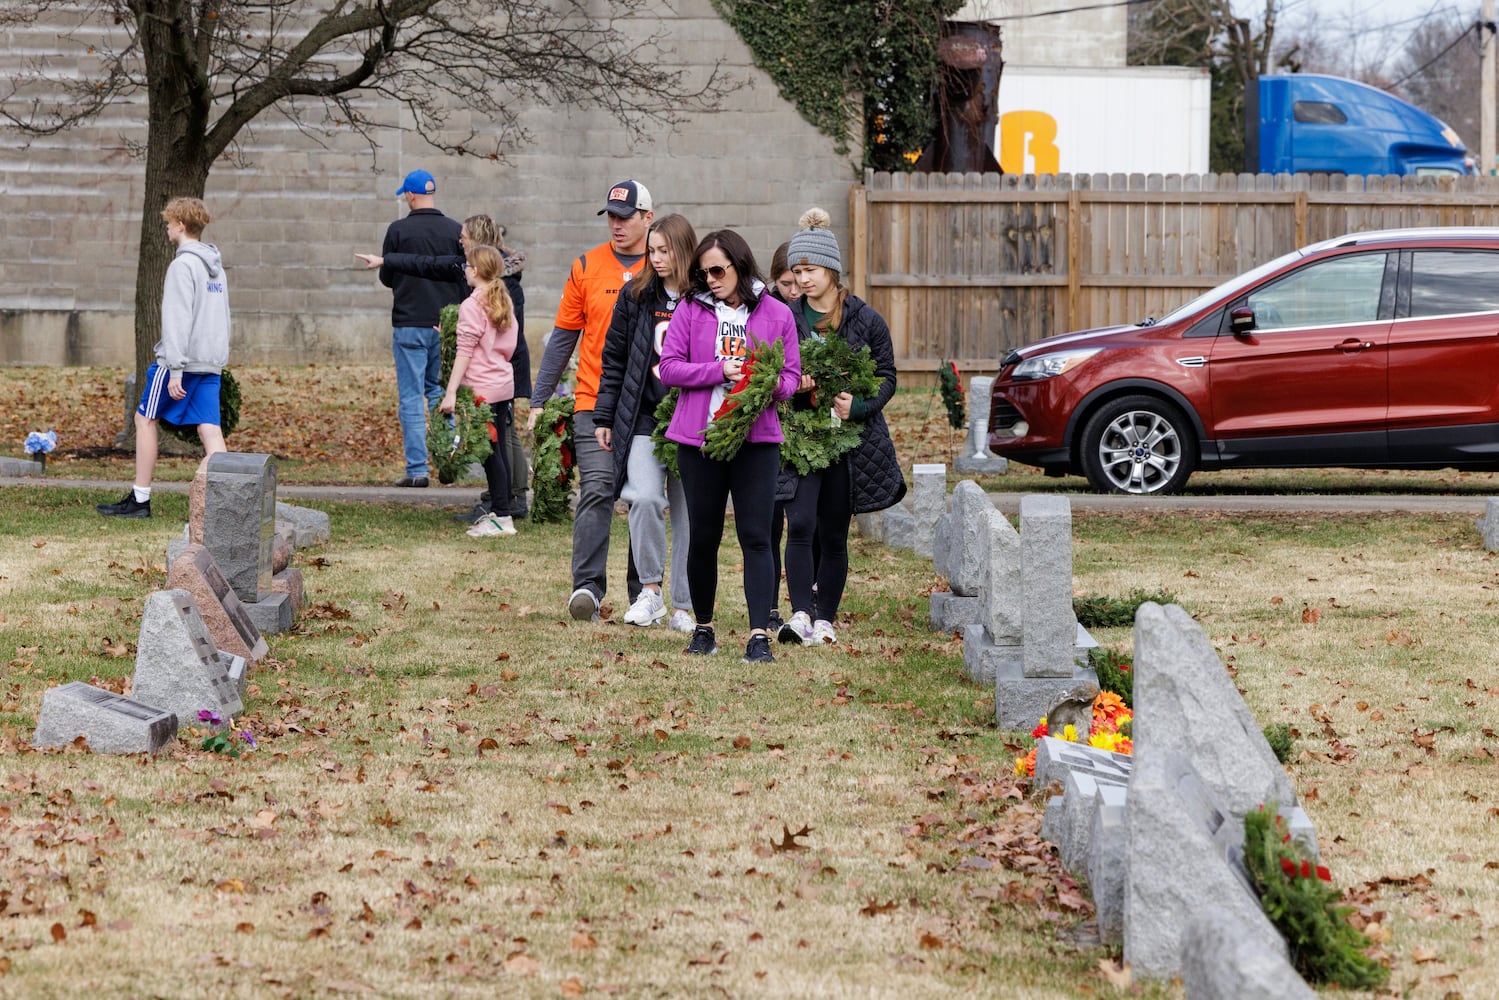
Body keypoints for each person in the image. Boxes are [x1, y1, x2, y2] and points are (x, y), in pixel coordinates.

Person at [658, 230, 801, 664]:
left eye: (718, 270)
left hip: (756, 440)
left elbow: (791, 377)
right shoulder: (690, 309)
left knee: (758, 536)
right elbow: (669, 368)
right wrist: (719, 370)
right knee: (703, 536)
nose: (711, 279)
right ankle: (703, 628)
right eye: (704, 273)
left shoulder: (777, 313)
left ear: (740, 265)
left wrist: (766, 383)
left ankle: (759, 635)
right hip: (700, 440)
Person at [776, 208, 906, 646]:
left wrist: (861, 406)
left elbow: (888, 374)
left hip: (849, 445)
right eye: (797, 271)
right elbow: (772, 372)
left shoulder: (865, 320)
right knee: (800, 524)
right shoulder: (786, 317)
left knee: (833, 530)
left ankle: (826, 618)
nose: (802, 279)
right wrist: (795, 387)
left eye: (809, 270)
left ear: (831, 270)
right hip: (800, 440)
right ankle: (799, 615)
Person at [529, 180, 654, 622]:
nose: (617, 225)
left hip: (647, 405)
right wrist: (539, 397)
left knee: (644, 497)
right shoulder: (586, 265)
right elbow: (564, 337)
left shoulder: (665, 268)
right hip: (592, 402)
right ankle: (586, 588)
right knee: (598, 489)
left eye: (625, 217)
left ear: (647, 218)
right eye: (612, 217)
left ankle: (645, 593)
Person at [356, 215, 531, 516]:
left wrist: (453, 386)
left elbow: (492, 344)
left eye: (463, 236)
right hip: (498, 375)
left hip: (492, 379)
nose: (458, 239)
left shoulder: (493, 294)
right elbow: (424, 263)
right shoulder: (483, 287)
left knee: (498, 441)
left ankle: (508, 503)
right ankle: (501, 501)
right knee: (498, 440)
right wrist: (386, 260)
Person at [593, 214, 697, 633]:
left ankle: (685, 606)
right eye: (651, 251)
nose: (654, 258)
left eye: (663, 251)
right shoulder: (635, 295)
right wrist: (604, 414)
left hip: (693, 421)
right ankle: (650, 591)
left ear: (683, 250)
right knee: (645, 498)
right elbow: (614, 357)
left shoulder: (704, 297)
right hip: (643, 418)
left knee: (689, 515)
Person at [98, 197, 230, 519]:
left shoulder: (182, 265)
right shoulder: (216, 267)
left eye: (170, 222)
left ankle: (140, 500)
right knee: (210, 430)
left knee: (144, 419)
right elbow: (222, 318)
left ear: (181, 225)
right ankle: (227, 505)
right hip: (210, 363)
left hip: (180, 363)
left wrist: (173, 368)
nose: (167, 227)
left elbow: (176, 320)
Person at [377, 169, 466, 488]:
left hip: (409, 322)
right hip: (445, 326)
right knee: (440, 393)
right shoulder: (455, 230)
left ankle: (417, 470)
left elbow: (387, 275)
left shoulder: (398, 230)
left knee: (412, 397)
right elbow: (462, 276)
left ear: (411, 195)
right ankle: (446, 461)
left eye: (405, 194)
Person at [438, 244, 518, 537]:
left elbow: (465, 352)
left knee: (490, 453)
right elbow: (503, 344)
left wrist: (450, 392)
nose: (464, 270)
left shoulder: (472, 305)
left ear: (477, 270)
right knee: (497, 451)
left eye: (467, 266)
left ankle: (502, 516)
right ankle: (502, 510)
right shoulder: (502, 300)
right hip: (501, 384)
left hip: (482, 389)